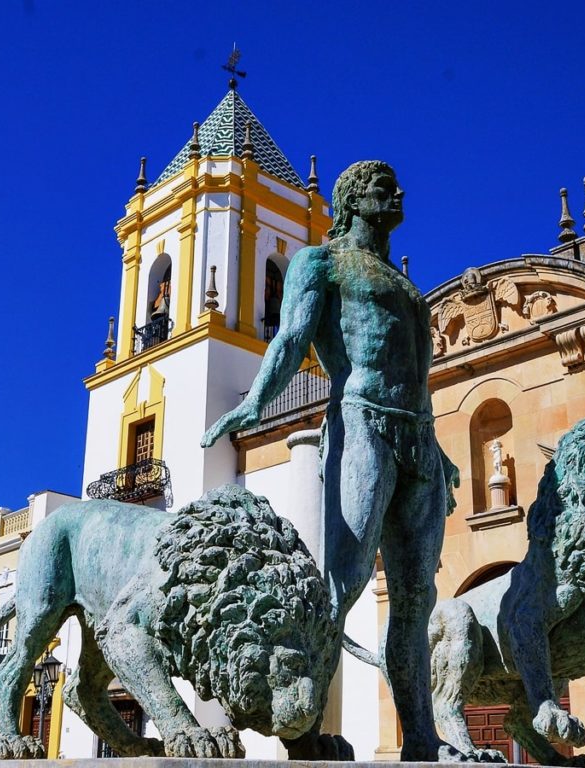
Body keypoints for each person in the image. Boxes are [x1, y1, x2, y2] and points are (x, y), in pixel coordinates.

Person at [203, 161, 458, 761]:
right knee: (341, 585)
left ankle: (422, 739)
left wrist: (442, 453)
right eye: (380, 186)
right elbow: (292, 339)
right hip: (361, 421)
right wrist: (255, 406)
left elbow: (417, 375)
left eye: (396, 184)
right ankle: (304, 730)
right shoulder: (320, 262)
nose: (396, 193)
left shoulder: (406, 286)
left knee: (416, 598)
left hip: (419, 435)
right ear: (350, 199)